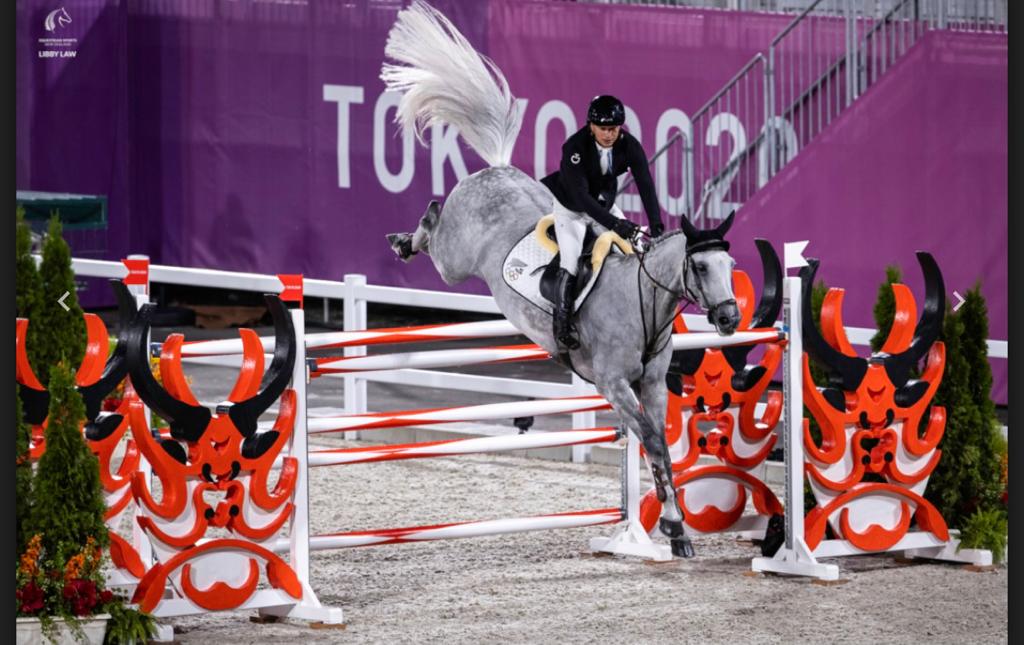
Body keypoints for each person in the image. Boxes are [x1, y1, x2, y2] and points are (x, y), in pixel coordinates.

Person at [540, 94, 665, 351]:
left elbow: (645, 184)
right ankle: (561, 324)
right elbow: (582, 199)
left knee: (635, 251)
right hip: (572, 208)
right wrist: (616, 225)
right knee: (571, 259)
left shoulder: (629, 145)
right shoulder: (574, 147)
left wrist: (656, 224)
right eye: (603, 128)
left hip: (604, 203)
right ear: (591, 126)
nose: (609, 134)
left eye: (614, 129)